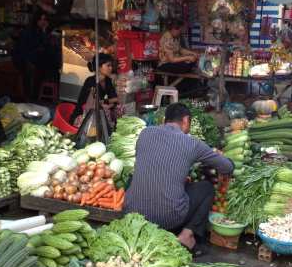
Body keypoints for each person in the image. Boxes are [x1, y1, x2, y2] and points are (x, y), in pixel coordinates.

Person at [124, 103, 234, 250]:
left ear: (164, 119)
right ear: (186, 120)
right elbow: (227, 167)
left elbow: (153, 164)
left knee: (133, 178)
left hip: (133, 214)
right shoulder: (192, 143)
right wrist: (229, 162)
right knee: (206, 188)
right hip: (168, 218)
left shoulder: (145, 133)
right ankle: (187, 235)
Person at [13, 10, 55, 101]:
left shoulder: (42, 31)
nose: (43, 22)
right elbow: (25, 50)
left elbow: (45, 47)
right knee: (33, 69)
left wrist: (44, 32)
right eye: (41, 19)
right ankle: (30, 96)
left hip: (34, 58)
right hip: (24, 59)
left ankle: (37, 95)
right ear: (36, 20)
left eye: (45, 20)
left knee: (50, 62)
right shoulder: (29, 31)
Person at [69, 54, 119, 127]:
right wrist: (106, 103)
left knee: (119, 109)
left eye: (111, 65)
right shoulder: (91, 82)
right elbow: (91, 105)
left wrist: (105, 102)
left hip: (98, 113)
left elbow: (115, 99)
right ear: (99, 67)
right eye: (108, 65)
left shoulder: (107, 81)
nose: (111, 68)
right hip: (84, 115)